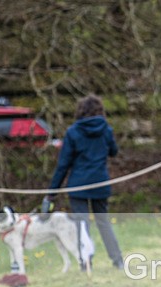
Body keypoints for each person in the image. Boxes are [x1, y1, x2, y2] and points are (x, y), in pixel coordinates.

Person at [47, 95, 123, 269]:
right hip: (100, 183)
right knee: (103, 223)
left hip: (78, 185)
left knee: (82, 224)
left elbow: (63, 165)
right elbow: (114, 151)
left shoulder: (73, 132)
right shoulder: (106, 129)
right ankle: (117, 261)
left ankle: (86, 262)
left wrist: (51, 193)